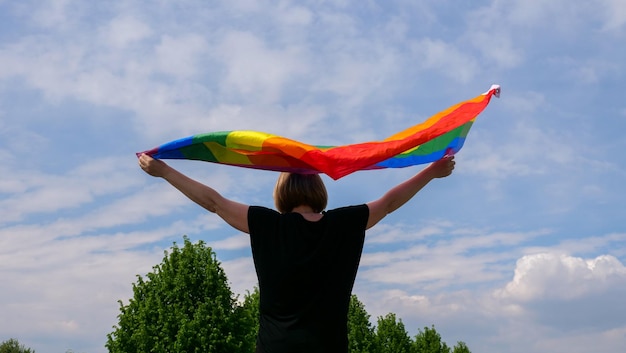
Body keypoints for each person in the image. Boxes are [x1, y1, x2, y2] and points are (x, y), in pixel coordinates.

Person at [138, 153, 455, 353]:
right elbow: (388, 202)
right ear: (318, 188)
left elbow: (214, 202)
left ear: (281, 191)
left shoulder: (265, 224)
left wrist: (164, 171)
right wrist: (432, 171)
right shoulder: (344, 224)